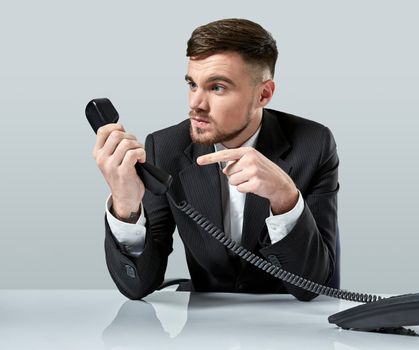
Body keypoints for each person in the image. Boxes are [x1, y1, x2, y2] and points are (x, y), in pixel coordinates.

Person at [92, 18, 339, 301]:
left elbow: (313, 287)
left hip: (290, 327)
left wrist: (285, 199)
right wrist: (126, 205)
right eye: (192, 84)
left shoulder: (313, 144)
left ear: (264, 94)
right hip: (202, 330)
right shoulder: (165, 148)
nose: (195, 104)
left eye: (217, 87)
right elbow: (137, 286)